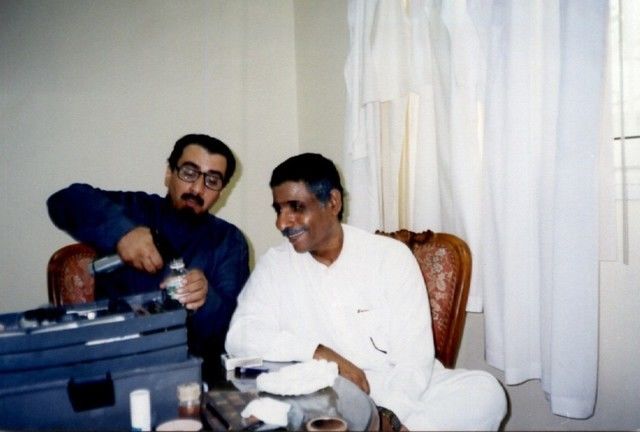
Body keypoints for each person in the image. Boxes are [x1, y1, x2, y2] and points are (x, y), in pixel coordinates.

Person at [224, 153, 507, 431]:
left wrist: (390, 415)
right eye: (279, 210)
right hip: (323, 390)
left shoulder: (389, 257)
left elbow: (414, 361)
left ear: (333, 202)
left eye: (296, 207)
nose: (282, 223)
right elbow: (240, 336)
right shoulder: (275, 264)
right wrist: (319, 353)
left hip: (396, 386)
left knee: (486, 392)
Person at [48, 133, 250, 384]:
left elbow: (236, 331)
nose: (198, 189)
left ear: (221, 192)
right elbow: (65, 200)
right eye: (189, 173)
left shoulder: (229, 241)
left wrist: (206, 298)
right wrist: (121, 233)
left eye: (212, 180)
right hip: (117, 368)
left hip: (195, 375)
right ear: (169, 173)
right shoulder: (132, 209)